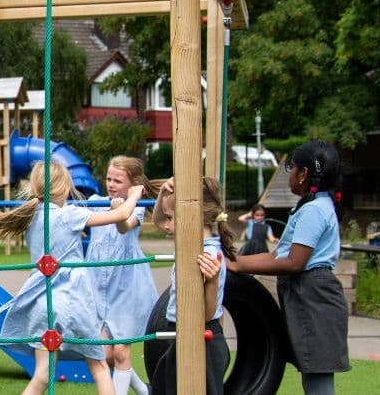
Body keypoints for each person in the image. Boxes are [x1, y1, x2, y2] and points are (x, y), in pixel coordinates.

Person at [0, 161, 145, 395]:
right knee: (100, 367)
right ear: (64, 188)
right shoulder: (70, 215)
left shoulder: (32, 217)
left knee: (42, 375)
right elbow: (121, 214)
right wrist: (133, 195)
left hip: (43, 303)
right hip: (72, 302)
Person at [228, 141, 349, 394]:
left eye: (291, 167)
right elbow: (280, 256)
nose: (290, 174)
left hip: (313, 295)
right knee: (313, 372)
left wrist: (238, 264)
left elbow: (293, 262)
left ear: (303, 174)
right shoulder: (312, 205)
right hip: (309, 294)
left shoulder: (314, 210)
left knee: (317, 377)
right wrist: (238, 263)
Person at [150, 177, 235, 395]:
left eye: (171, 218)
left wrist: (213, 281)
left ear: (191, 216)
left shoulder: (206, 255)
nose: (166, 225)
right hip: (182, 334)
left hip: (201, 339)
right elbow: (158, 220)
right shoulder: (189, 244)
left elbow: (205, 316)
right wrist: (163, 194)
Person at [85, 156, 157, 395]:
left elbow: (123, 226)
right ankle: (144, 391)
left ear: (133, 184)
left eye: (118, 180)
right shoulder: (95, 202)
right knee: (104, 353)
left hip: (126, 285)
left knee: (121, 351)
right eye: (108, 178)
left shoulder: (138, 205)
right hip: (98, 284)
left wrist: (121, 209)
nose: (111, 184)